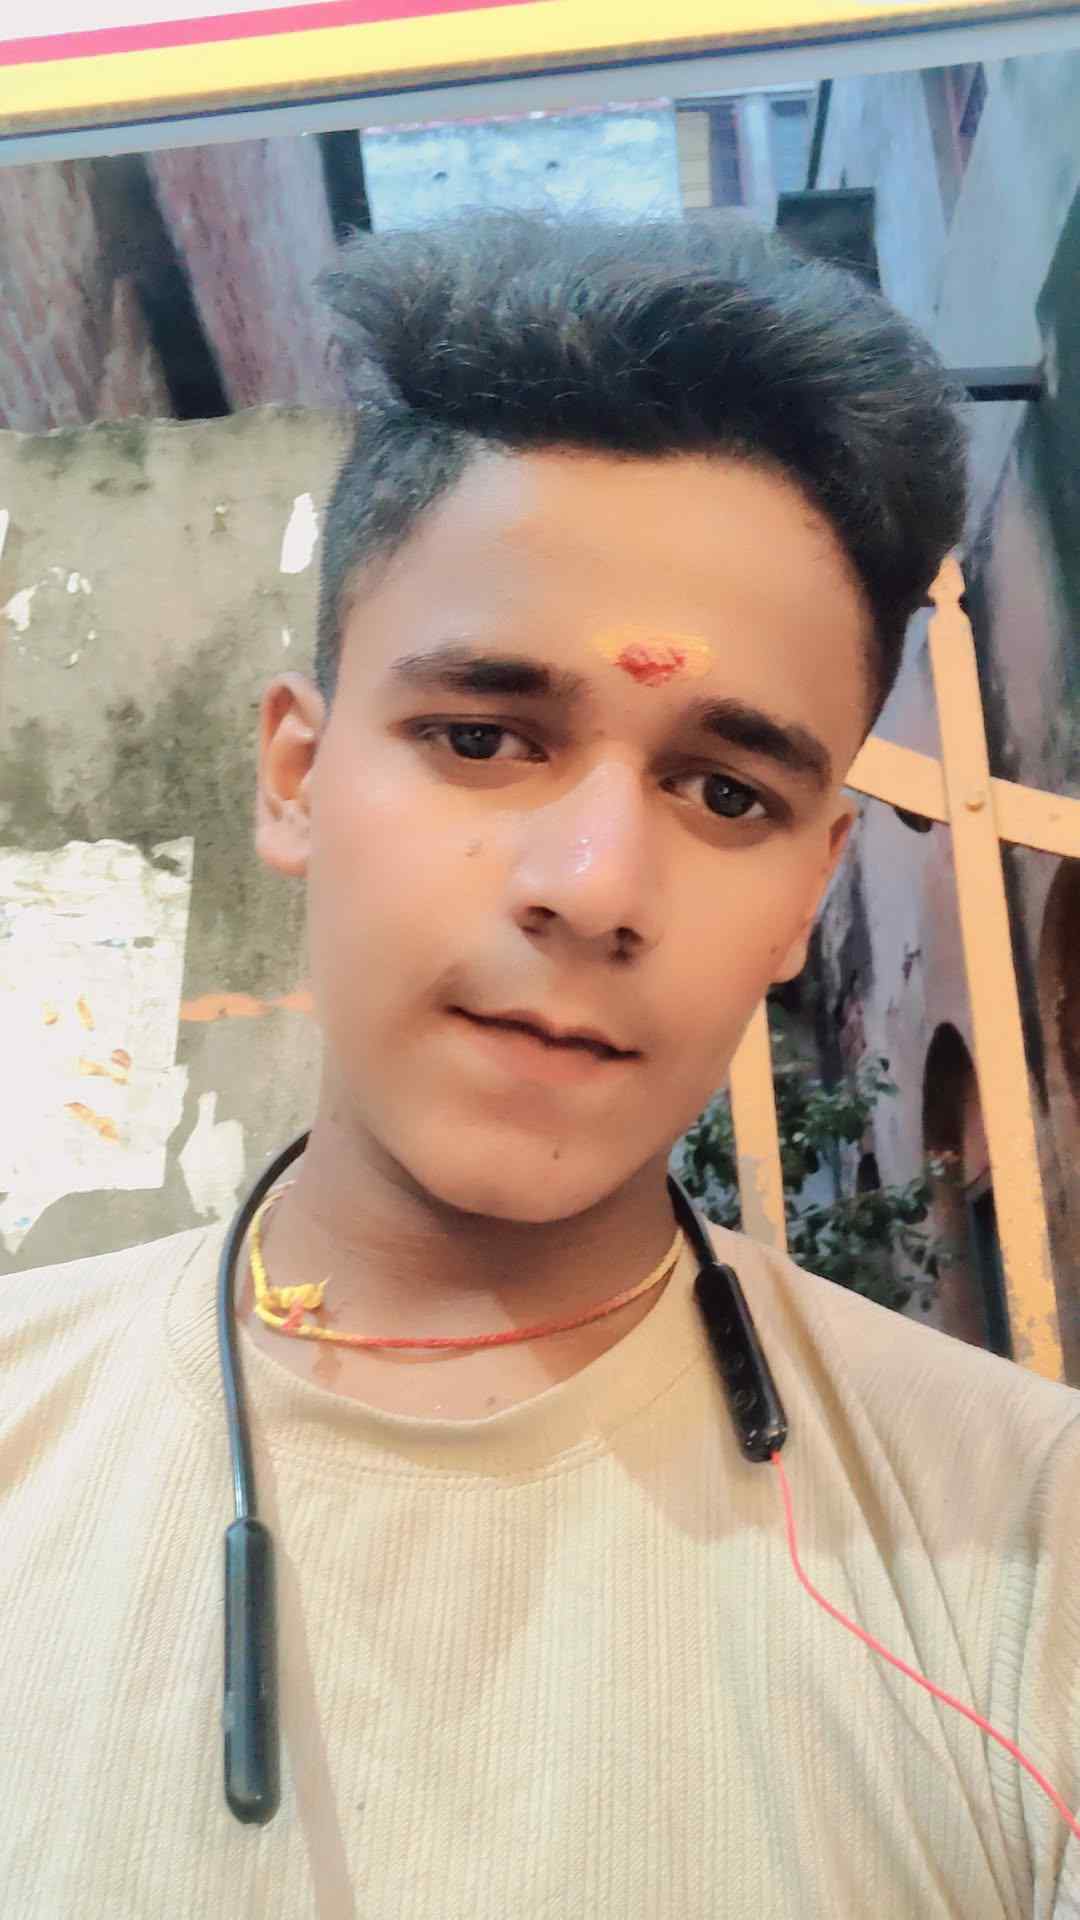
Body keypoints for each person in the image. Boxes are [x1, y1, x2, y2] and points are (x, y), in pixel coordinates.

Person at [2, 208, 1077, 1920]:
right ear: (295, 777)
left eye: (725, 791)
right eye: (484, 737)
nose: (592, 888)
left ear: (809, 891)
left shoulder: (1025, 1546)